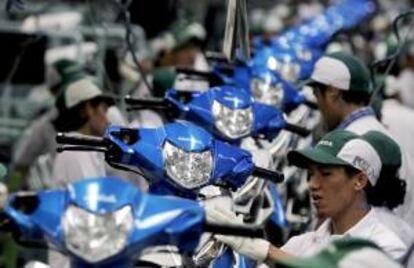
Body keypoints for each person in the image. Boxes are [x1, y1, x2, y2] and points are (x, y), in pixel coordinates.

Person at [206, 129, 408, 264]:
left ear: (359, 181)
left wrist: (266, 250)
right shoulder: (301, 244)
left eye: (326, 174)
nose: (312, 184)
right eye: (311, 174)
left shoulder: (387, 247)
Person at [307, 51, 414, 226]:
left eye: (317, 95)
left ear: (333, 92)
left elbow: (341, 223)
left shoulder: (351, 145)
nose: (318, 104)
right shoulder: (377, 133)